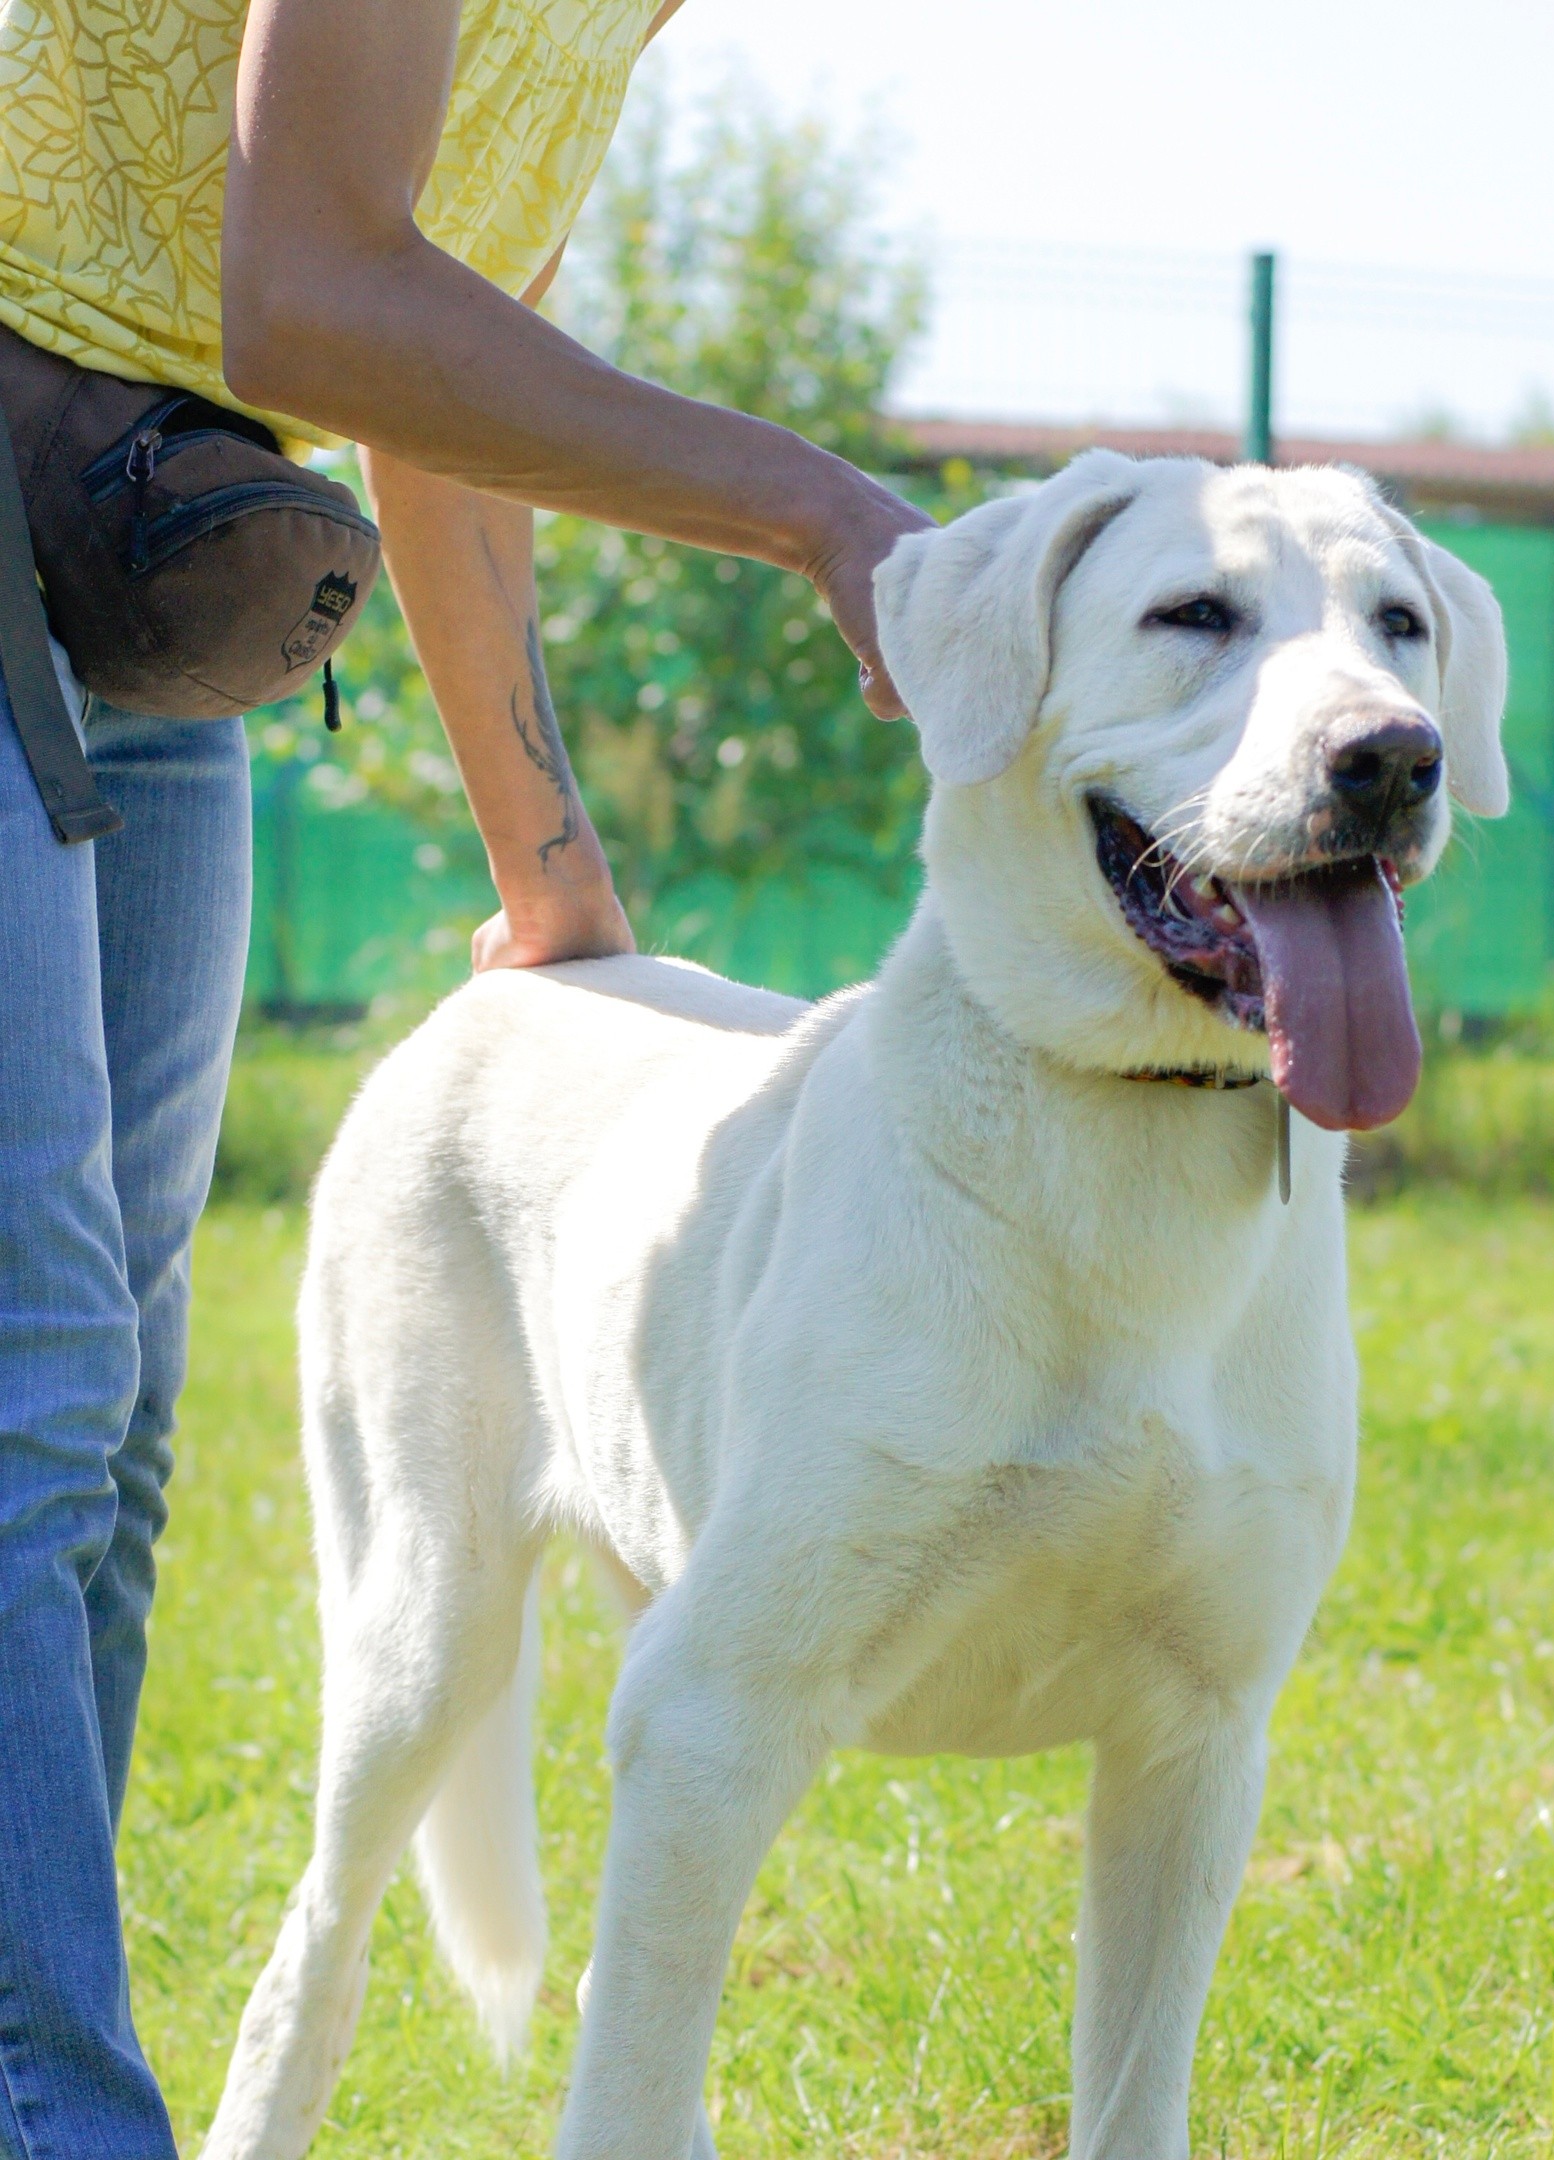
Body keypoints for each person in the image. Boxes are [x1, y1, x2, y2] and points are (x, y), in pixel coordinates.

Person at [0, 0, 931, 2144]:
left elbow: (427, 362)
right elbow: (314, 293)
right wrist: (813, 507)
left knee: (115, 1408)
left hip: (141, 538)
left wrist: (551, 871)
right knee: (36, 1359)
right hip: (61, 469)